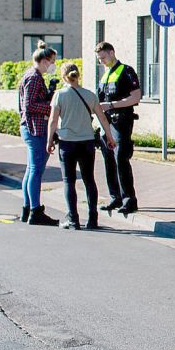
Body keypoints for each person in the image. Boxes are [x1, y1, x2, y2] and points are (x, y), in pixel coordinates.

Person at [46, 62, 116, 230]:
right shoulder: (90, 95)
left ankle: (73, 219)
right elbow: (102, 117)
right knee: (89, 180)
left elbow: (53, 120)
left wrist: (49, 141)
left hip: (67, 143)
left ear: (64, 76)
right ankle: (93, 219)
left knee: (68, 182)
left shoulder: (59, 95)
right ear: (78, 75)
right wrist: (109, 137)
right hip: (87, 143)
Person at [94, 42, 142, 215]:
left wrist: (112, 105)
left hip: (121, 121)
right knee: (108, 159)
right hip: (106, 123)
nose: (101, 62)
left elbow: (136, 97)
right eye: (99, 59)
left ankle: (129, 199)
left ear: (112, 52)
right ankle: (115, 197)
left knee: (120, 157)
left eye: (103, 58)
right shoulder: (105, 74)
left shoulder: (126, 71)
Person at [18, 41, 60, 226]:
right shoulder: (34, 78)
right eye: (51, 62)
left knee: (30, 169)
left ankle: (27, 208)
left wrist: (48, 92)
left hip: (30, 127)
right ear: (44, 61)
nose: (52, 66)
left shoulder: (31, 75)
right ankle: (35, 211)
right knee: (36, 169)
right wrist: (51, 107)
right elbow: (30, 105)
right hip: (35, 128)